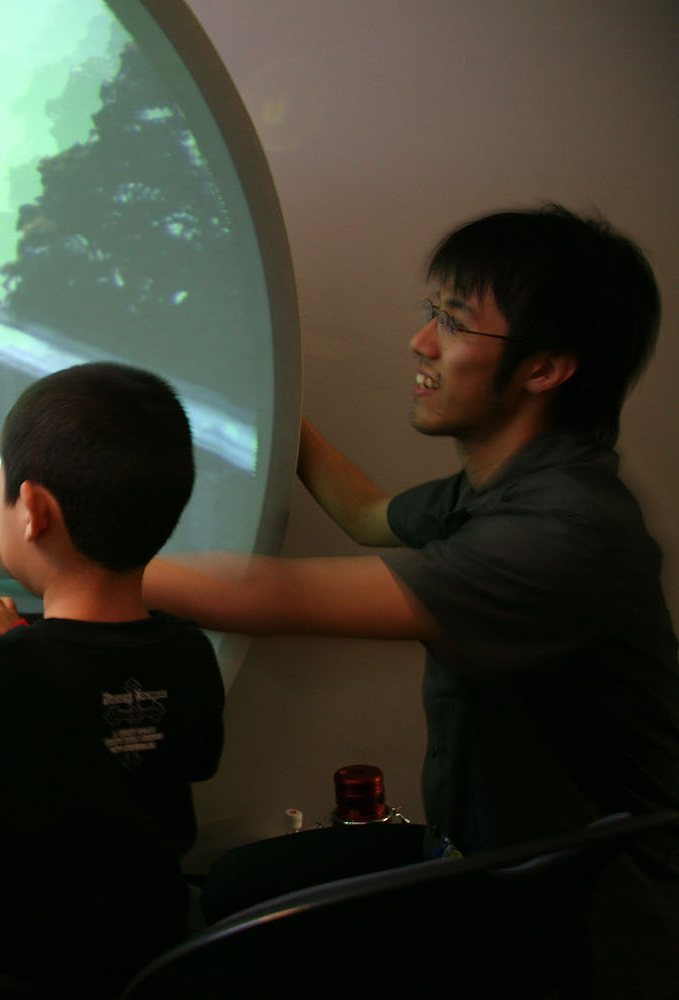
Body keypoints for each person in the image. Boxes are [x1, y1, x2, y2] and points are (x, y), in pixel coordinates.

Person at [137, 204, 679, 996]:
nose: (421, 342)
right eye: (432, 313)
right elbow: (365, 514)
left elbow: (267, 595)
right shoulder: (503, 486)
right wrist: (271, 399)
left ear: (545, 368)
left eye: (454, 323)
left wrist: (54, 557)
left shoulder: (565, 531)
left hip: (576, 916)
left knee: (226, 958)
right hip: (482, 856)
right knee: (237, 885)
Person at [0, 362, 226, 999]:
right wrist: (11, 652)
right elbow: (180, 756)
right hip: (140, 961)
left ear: (34, 511)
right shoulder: (189, 654)